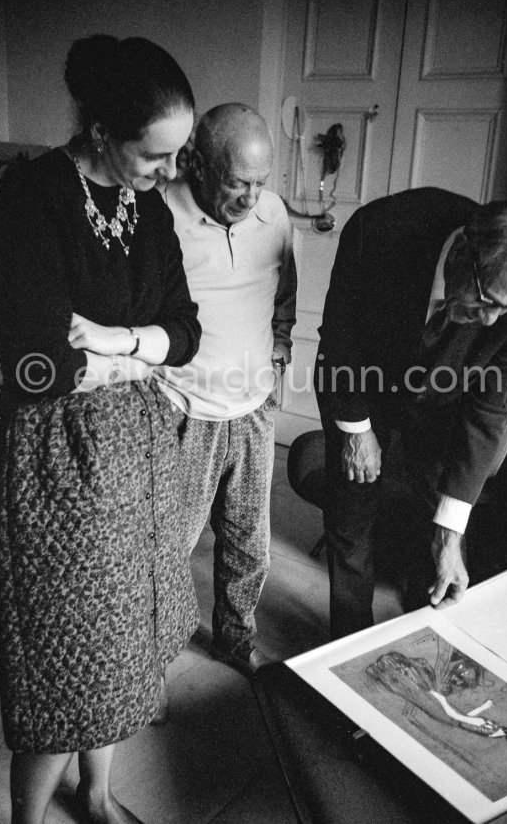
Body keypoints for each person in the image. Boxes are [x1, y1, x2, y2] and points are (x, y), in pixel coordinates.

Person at [0, 35, 201, 824]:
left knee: (120, 642)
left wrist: (115, 344)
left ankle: (98, 793)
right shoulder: (33, 196)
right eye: (156, 155)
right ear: (103, 131)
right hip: (54, 456)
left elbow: (186, 331)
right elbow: (35, 360)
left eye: (177, 155)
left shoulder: (148, 207)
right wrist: (136, 355)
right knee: (63, 656)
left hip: (136, 448)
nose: (169, 173)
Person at [315, 187, 507, 639]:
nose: (492, 321)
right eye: (487, 301)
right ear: (461, 254)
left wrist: (451, 530)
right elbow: (341, 333)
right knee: (352, 514)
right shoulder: (379, 232)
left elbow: (488, 404)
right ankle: (348, 640)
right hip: (363, 385)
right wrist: (357, 429)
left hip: (444, 401)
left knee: (435, 521)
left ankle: (422, 634)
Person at [157, 103, 296, 675]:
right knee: (169, 546)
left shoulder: (274, 212)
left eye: (261, 182)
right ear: (200, 165)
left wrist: (280, 347)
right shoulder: (159, 213)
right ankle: (152, 657)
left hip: (253, 407)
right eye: (238, 182)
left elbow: (284, 291)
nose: (251, 197)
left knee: (248, 542)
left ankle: (235, 640)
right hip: (184, 406)